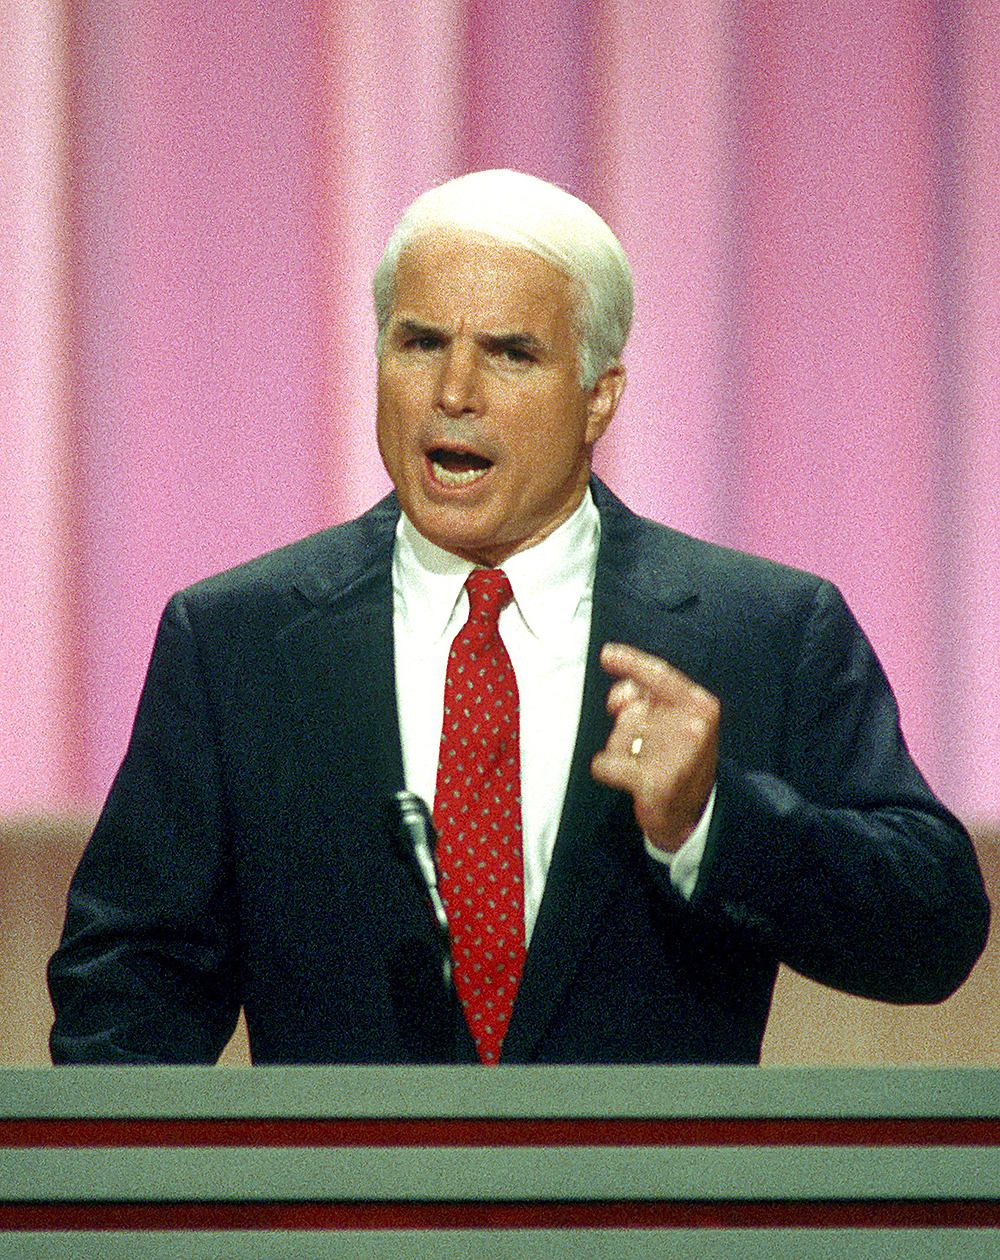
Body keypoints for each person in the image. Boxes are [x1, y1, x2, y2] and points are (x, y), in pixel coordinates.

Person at [49, 170, 989, 1065]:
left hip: (646, 1223)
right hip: (342, 1226)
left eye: (510, 353)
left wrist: (714, 820)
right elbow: (128, 994)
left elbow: (933, 928)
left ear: (598, 399)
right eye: (420, 344)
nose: (455, 393)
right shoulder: (237, 645)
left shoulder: (765, 632)